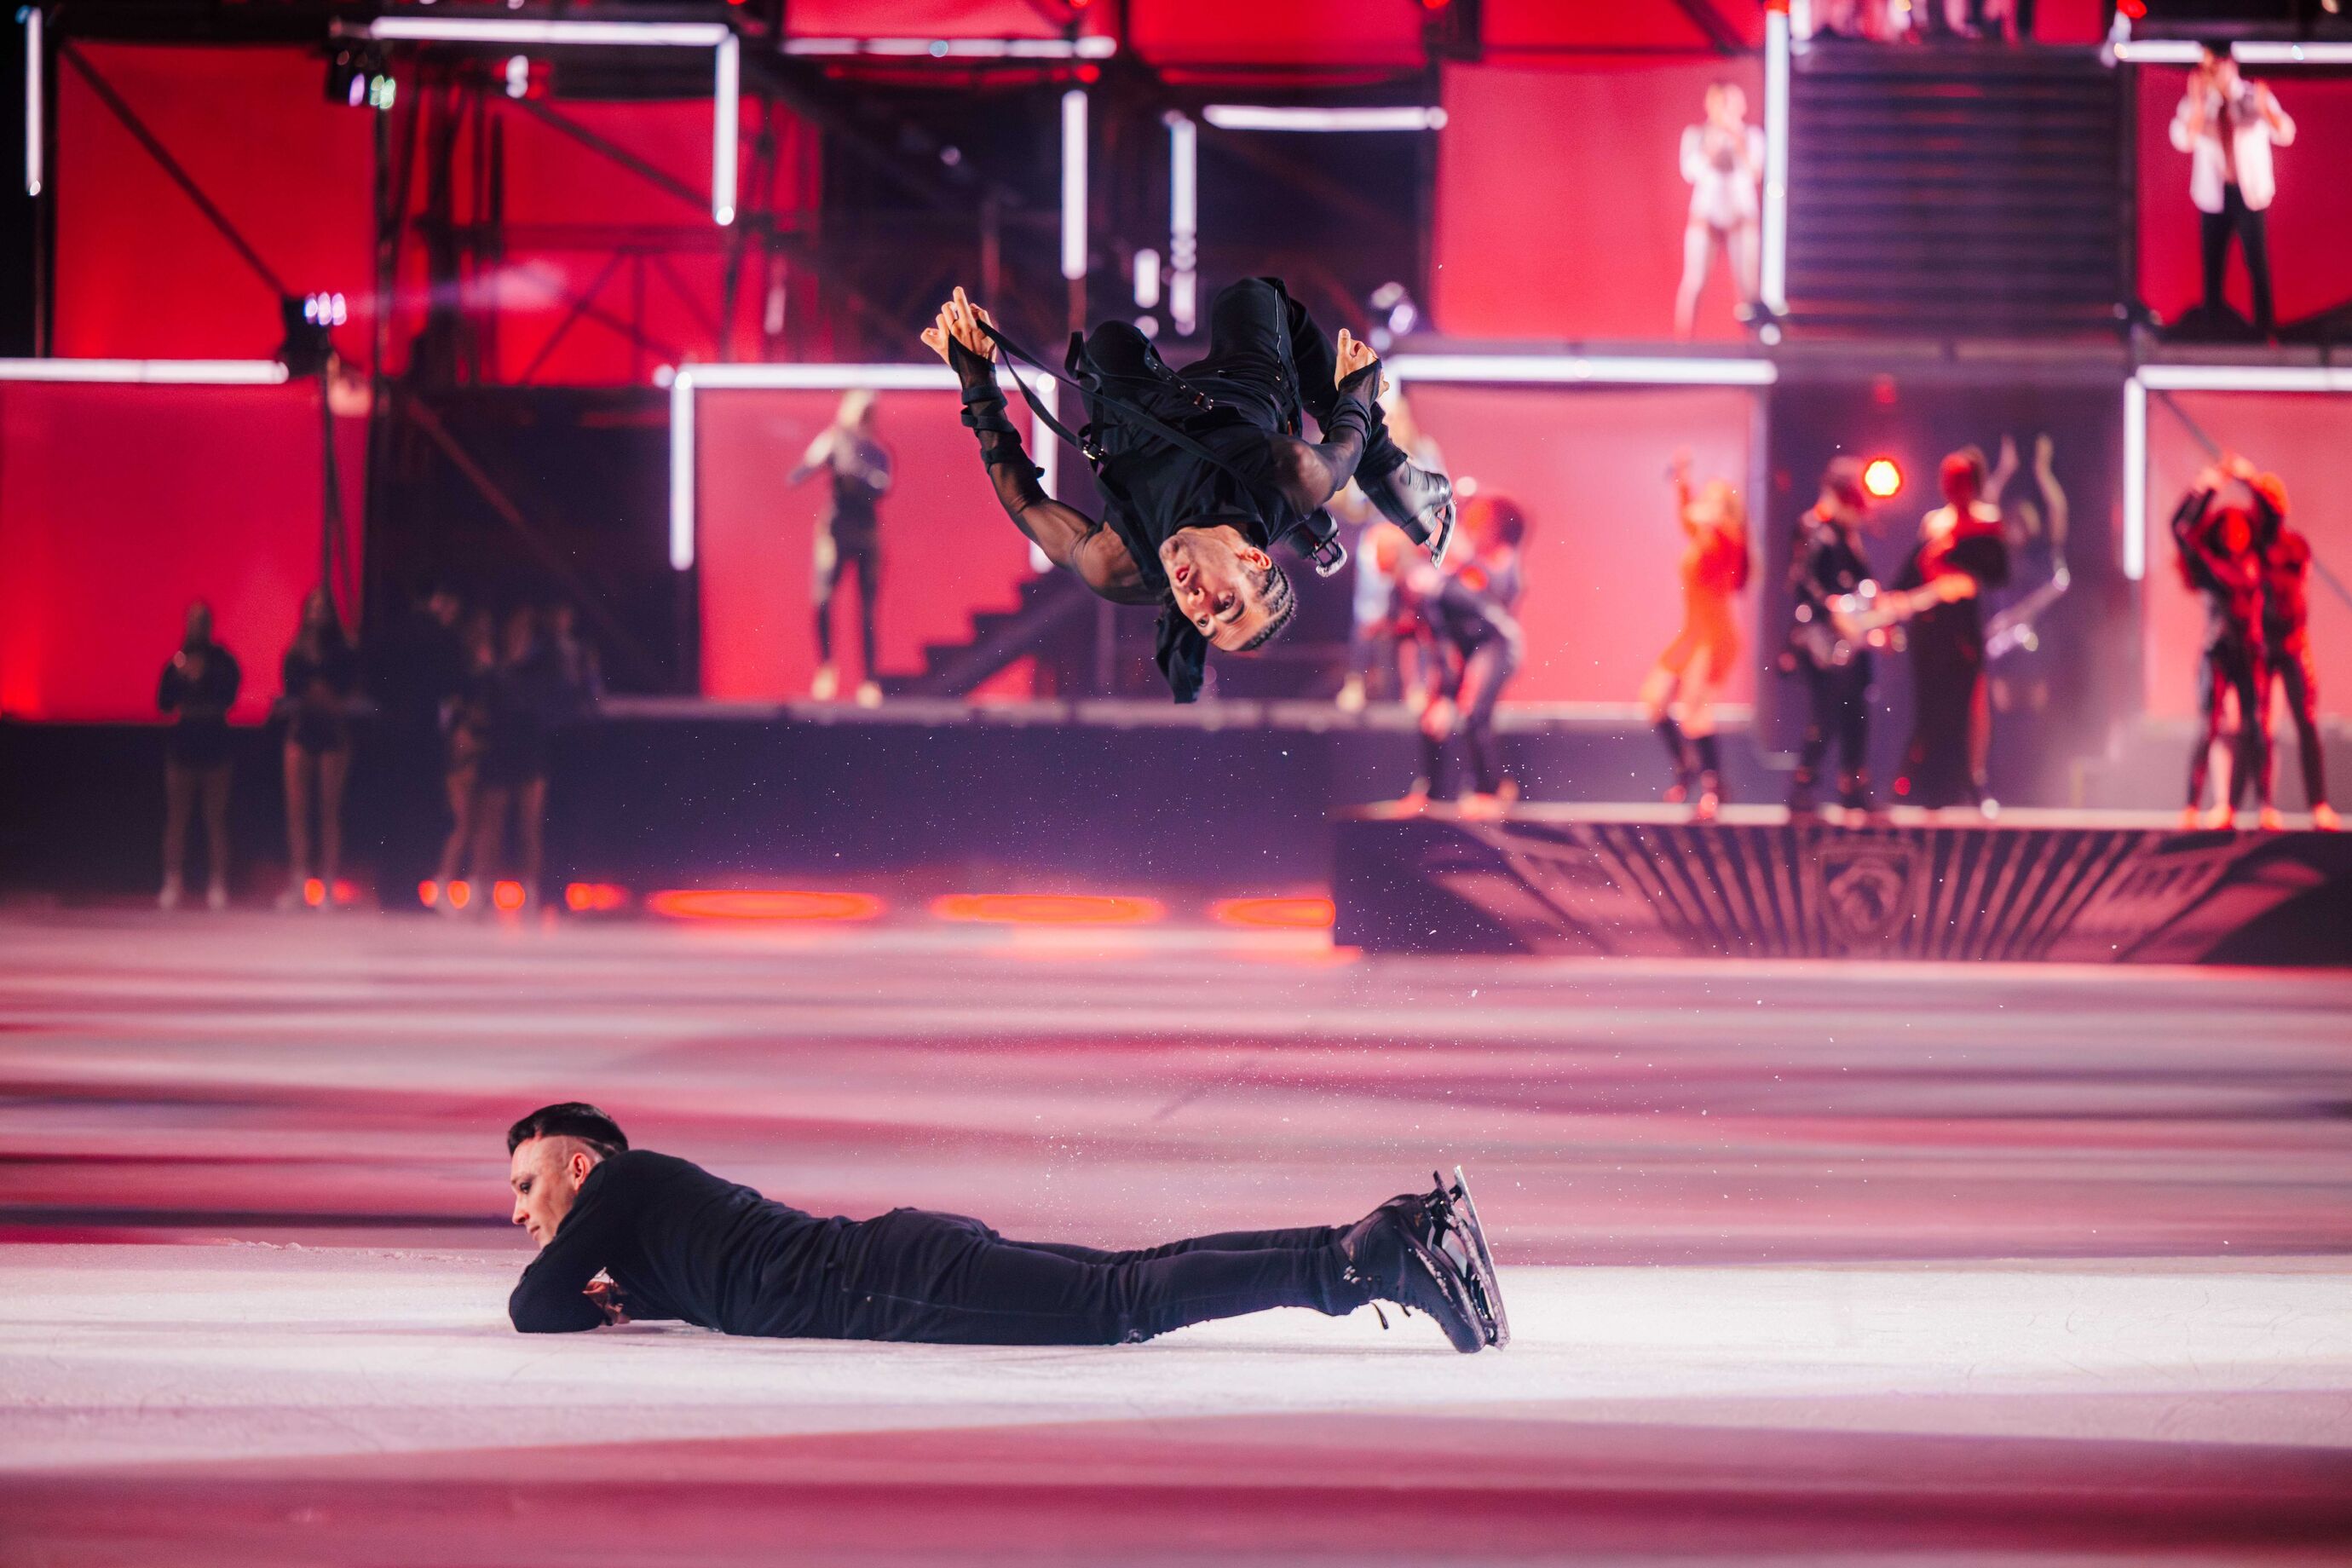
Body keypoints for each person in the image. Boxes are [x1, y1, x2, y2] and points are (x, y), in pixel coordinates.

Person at [503, 1102, 1507, 1354]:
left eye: (526, 1182)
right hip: (894, 1257)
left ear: (580, 1166)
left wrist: (591, 1306)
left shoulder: (621, 1183)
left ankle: (1365, 1263)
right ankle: (1365, 1243)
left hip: (883, 1282)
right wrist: (623, 1296)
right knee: (1129, 1276)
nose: (518, 1210)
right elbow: (644, 1284)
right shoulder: (648, 1213)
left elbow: (532, 1305)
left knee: (1118, 1304)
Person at [920, 280, 1456, 702]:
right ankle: (1398, 493)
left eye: (1202, 621)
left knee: (1107, 342)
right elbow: (1347, 445)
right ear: (1253, 558)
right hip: (1241, 392)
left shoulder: (1119, 564)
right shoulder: (1293, 476)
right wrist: (1359, 388)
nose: (1198, 604)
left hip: (1138, 409)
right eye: (1226, 603)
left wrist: (977, 380)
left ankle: (1313, 529)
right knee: (1251, 295)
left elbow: (1024, 501)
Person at [1893, 448, 2012, 810]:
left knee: (1967, 706)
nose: (1954, 489)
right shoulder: (1933, 523)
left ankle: (1970, 780)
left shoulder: (1986, 523)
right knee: (1930, 706)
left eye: (1960, 482)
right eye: (1949, 481)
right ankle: (1929, 786)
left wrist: (1955, 560)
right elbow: (1911, 574)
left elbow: (1997, 573)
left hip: (1962, 625)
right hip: (1931, 627)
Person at [1382, 527, 1525, 818]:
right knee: (1431, 715)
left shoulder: (1428, 588)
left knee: (1473, 711)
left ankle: (1491, 790)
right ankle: (1432, 793)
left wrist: (1447, 696)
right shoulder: (1413, 587)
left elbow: (1445, 649)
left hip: (1496, 643)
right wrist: (1439, 697)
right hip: (1474, 648)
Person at [1642, 453, 1750, 818]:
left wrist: (1706, 513)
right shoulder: (1704, 534)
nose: (1707, 505)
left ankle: (1713, 788)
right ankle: (1685, 768)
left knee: (1696, 713)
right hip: (1692, 633)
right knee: (1654, 701)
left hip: (1715, 636)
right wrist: (1683, 482)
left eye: (1715, 501)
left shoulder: (1729, 539)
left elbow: (1712, 533)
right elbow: (1687, 516)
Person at [2235, 464, 2337, 829]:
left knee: (2306, 722)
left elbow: (2293, 589)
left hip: (2292, 644)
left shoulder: (2294, 546)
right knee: (2260, 726)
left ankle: (2319, 804)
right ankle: (2264, 804)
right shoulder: (2251, 548)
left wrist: (2249, 479)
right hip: (2261, 646)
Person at [2170, 45, 2296, 339]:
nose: (2213, 73)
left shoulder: (2253, 97)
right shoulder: (2199, 102)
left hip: (2248, 193)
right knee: (2213, 267)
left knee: (2257, 264)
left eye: (2218, 66)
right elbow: (2183, 140)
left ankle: (2266, 332)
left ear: (2232, 65)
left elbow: (2286, 133)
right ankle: (2212, 333)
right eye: (2209, 68)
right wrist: (2198, 106)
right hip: (2214, 195)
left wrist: (2266, 110)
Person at [2172, 463, 2270, 828]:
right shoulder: (2209, 566)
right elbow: (2182, 530)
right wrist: (2208, 488)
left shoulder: (2257, 561)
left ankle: (2263, 806)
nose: (2236, 535)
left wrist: (2249, 479)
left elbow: (2272, 519)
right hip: (2217, 652)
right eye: (2228, 530)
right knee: (2209, 727)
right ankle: (2191, 806)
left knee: (2255, 727)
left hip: (2250, 652)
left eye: (2240, 529)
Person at [1334, 390, 1445, 713]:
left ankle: (1418, 686)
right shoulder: (1369, 450)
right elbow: (1354, 502)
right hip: (1380, 539)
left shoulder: (1423, 450)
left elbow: (1440, 492)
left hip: (1412, 540)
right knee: (1369, 613)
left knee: (1422, 611)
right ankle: (1355, 682)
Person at [1781, 459, 1879, 813]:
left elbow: (1862, 582)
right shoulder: (1812, 527)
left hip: (1851, 642)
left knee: (1856, 712)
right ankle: (1803, 787)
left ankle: (1853, 786)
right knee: (1825, 713)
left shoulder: (1847, 535)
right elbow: (1802, 581)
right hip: (1820, 638)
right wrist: (1832, 607)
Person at [789, 389, 893, 707]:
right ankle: (826, 668)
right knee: (822, 599)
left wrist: (855, 472)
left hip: (865, 532)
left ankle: (869, 680)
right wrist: (817, 456)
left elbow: (882, 485)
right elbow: (797, 475)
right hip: (835, 532)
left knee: (866, 610)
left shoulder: (876, 451)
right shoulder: (833, 442)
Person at [278, 587, 360, 909]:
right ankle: (299, 883)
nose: (318, 613)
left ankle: (327, 884)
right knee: (297, 812)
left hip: (332, 732)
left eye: (323, 608)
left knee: (329, 811)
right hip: (302, 730)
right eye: (312, 607)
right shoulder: (295, 651)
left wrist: (324, 695)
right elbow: (292, 689)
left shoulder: (343, 652)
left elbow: (345, 690)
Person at [156, 600, 241, 912]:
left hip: (215, 742)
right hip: (184, 743)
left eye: (203, 621)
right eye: (193, 620)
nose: (197, 626)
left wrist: (203, 678)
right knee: (176, 818)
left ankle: (217, 883)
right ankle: (172, 880)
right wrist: (182, 678)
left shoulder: (223, 662)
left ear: (210, 625)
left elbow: (229, 695)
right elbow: (164, 703)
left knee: (216, 818)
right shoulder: (176, 662)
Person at [1674, 83, 1766, 340]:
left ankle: (1754, 343)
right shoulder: (1696, 134)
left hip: (1742, 216)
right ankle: (1684, 343)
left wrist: (1738, 141)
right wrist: (1711, 147)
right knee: (1694, 281)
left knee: (1748, 286)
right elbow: (1690, 171)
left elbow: (1756, 171)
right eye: (1725, 102)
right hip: (1706, 215)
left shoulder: (1752, 135)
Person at [430, 607, 498, 913]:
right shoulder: (459, 673)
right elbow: (452, 713)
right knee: (461, 824)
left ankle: (476, 888)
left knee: (483, 825)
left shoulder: (491, 674)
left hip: (487, 748)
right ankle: (443, 884)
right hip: (462, 752)